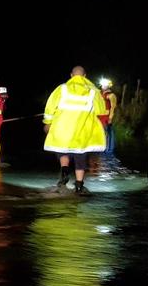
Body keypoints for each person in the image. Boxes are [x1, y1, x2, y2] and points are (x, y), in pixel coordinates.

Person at [43, 66, 107, 194]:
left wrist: (47, 123)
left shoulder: (62, 89)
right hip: (83, 129)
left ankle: (65, 171)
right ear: (85, 76)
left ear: (71, 75)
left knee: (62, 150)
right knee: (80, 155)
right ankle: (78, 186)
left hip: (63, 128)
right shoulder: (93, 91)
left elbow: (50, 107)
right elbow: (101, 111)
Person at [99, 78, 119, 155]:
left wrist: (110, 117)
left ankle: (108, 150)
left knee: (108, 133)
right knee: (101, 133)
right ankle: (101, 148)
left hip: (106, 116)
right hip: (99, 116)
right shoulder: (99, 94)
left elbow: (113, 107)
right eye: (103, 84)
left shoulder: (111, 95)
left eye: (105, 85)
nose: (103, 86)